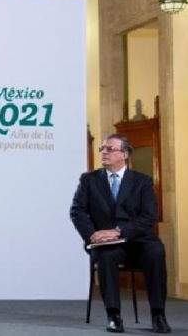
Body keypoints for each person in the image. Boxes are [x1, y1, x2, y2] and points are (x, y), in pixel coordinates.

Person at [70, 133, 171, 334]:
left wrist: (118, 231)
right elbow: (77, 211)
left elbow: (149, 216)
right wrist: (93, 235)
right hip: (105, 243)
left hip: (138, 240)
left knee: (156, 252)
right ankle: (113, 315)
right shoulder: (89, 180)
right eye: (102, 149)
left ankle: (158, 315)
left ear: (124, 154)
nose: (104, 153)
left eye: (110, 149)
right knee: (106, 256)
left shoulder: (142, 181)